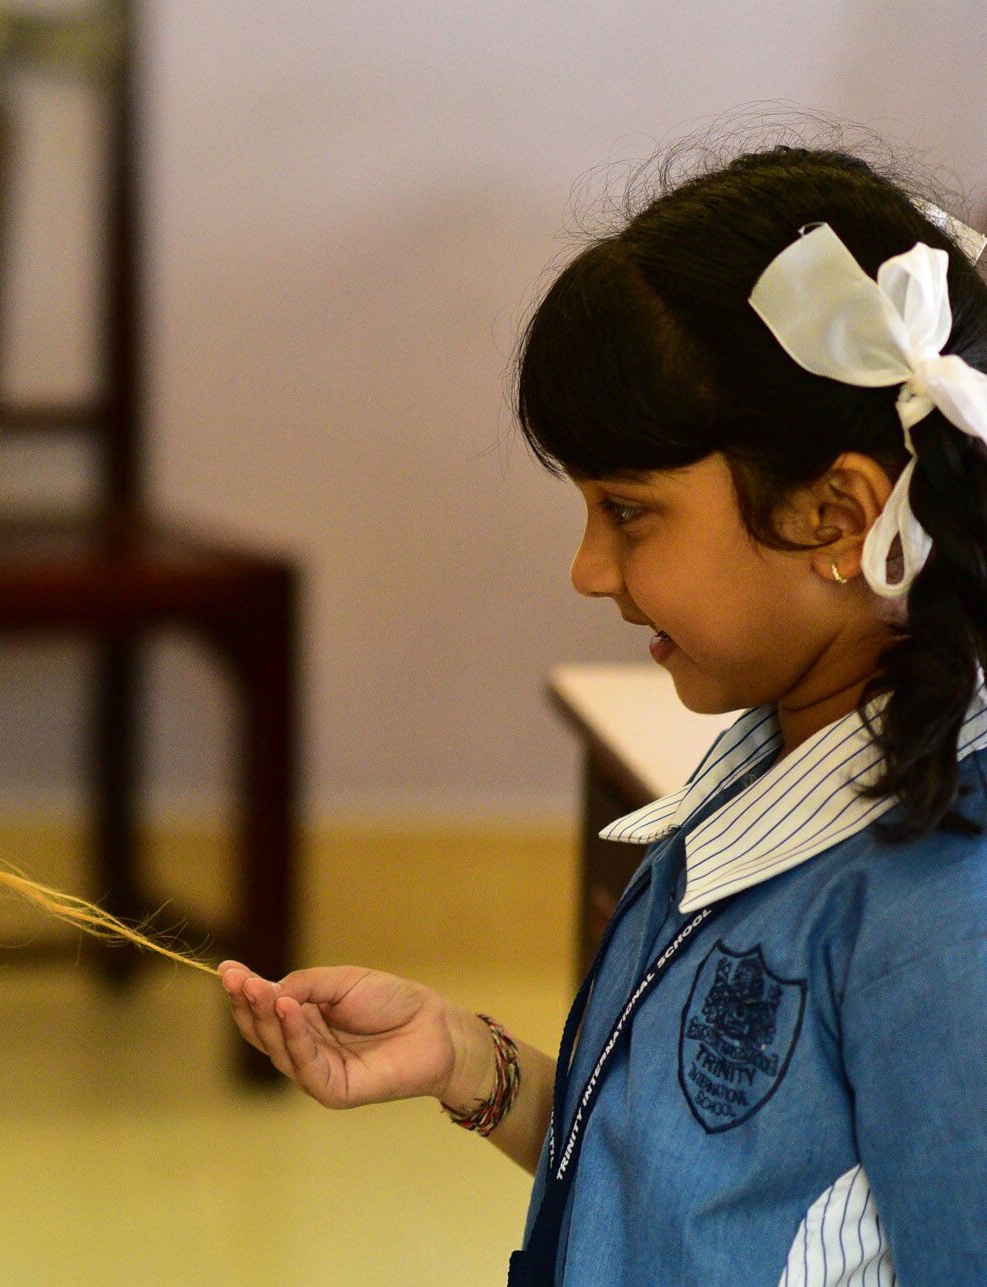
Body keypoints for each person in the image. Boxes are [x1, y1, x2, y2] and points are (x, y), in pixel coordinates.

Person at [221, 145, 987, 1284]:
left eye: (628, 511)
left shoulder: (947, 913)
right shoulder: (767, 762)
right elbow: (689, 1191)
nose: (587, 569)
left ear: (837, 516)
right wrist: (467, 1061)